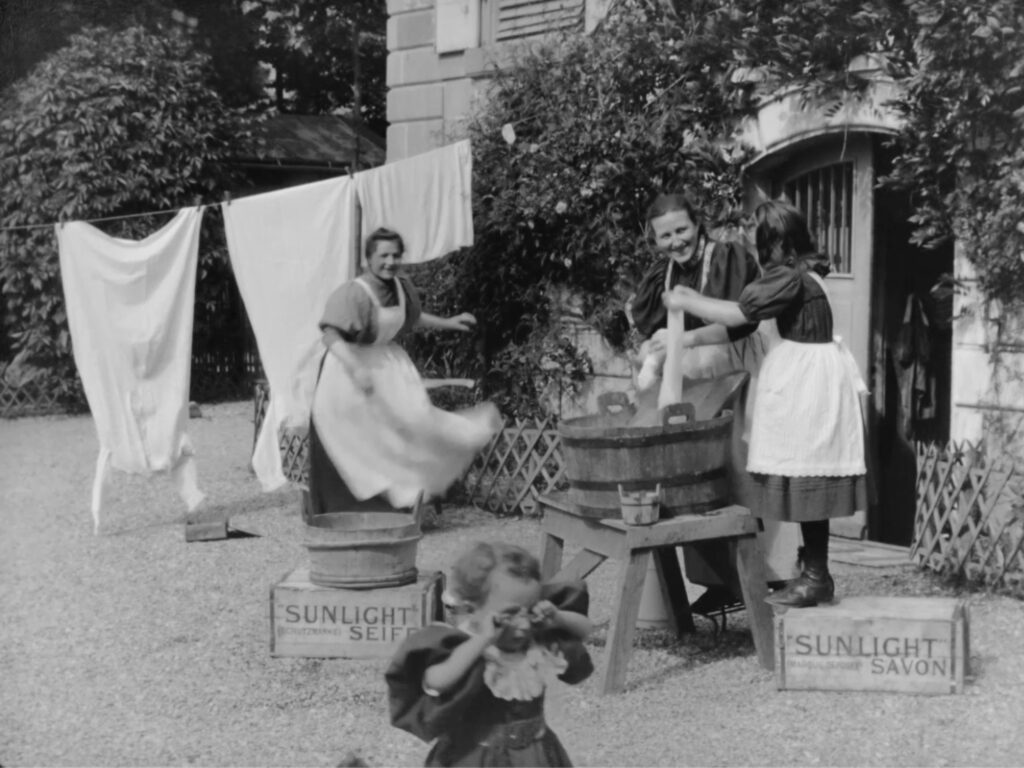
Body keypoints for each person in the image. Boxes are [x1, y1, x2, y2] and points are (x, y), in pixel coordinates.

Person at [664, 200, 868, 607]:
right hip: (813, 381)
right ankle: (815, 574)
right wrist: (688, 338)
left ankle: (815, 576)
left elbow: (741, 313)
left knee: (810, 476)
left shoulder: (790, 278)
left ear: (776, 246)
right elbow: (745, 325)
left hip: (808, 387)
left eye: (761, 246)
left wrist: (687, 300)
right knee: (810, 476)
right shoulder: (805, 275)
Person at [627, 191, 786, 612]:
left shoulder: (729, 258)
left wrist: (682, 338)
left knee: (742, 463)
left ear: (698, 224)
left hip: (737, 365)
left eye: (682, 230)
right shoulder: (661, 275)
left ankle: (765, 575)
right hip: (694, 376)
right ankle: (720, 580)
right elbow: (651, 326)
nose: (676, 241)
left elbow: (739, 320)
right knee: (697, 469)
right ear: (654, 239)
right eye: (666, 236)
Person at [307, 227, 501, 517]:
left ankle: (402, 498)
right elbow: (331, 335)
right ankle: (353, 509)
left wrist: (449, 322)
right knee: (356, 434)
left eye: (396, 255)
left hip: (387, 364)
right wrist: (355, 368)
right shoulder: (353, 294)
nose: (390, 261)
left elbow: (411, 317)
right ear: (369, 258)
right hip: (348, 366)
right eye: (383, 255)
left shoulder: (401, 287)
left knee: (413, 421)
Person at [385, 542, 594, 767]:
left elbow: (586, 630)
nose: (523, 624)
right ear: (473, 607)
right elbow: (436, 681)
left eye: (530, 609)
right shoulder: (466, 645)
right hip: (475, 756)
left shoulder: (534, 639)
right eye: (510, 614)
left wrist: (558, 618)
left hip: (534, 754)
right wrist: (482, 640)